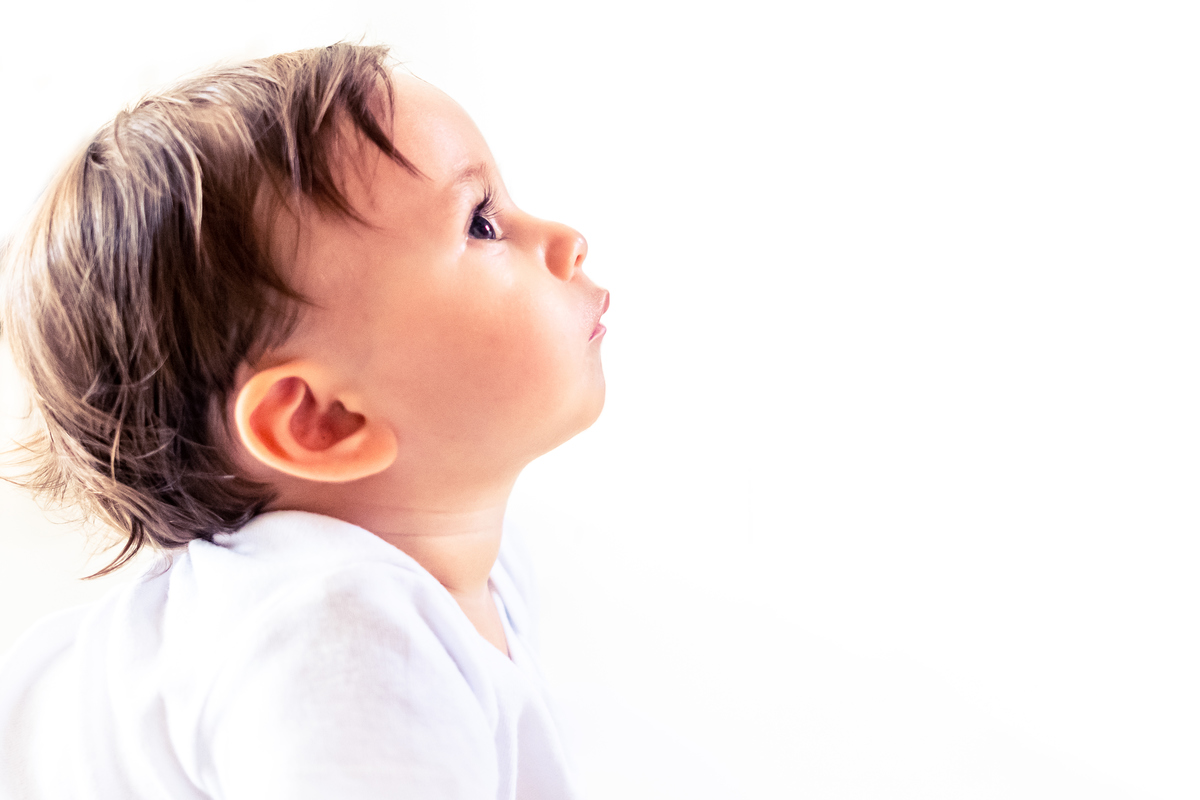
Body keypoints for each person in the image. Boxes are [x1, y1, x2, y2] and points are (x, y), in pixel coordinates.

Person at [0, 42, 607, 799]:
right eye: (481, 224)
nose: (566, 239)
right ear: (320, 421)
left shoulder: (472, 569)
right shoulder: (341, 626)